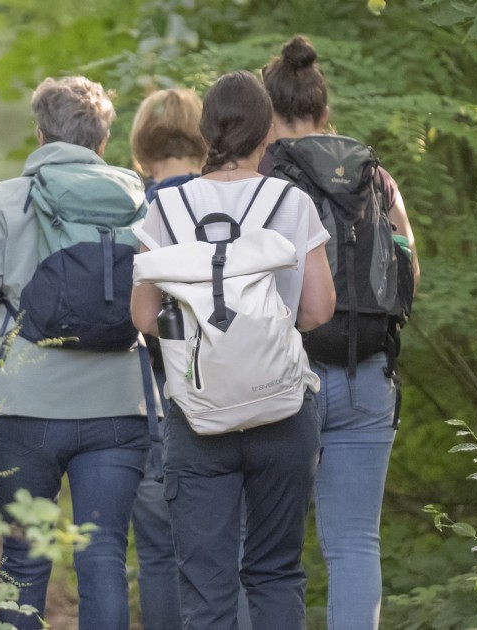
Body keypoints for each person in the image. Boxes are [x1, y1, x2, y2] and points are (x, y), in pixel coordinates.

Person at [0, 76, 151, 630]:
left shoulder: (9, 198)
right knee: (103, 555)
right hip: (118, 405)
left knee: (24, 559)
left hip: (25, 407)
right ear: (103, 140)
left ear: (40, 135)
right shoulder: (137, 201)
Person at [131, 70, 334, 630]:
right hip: (282, 411)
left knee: (206, 584)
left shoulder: (167, 210)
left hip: (197, 417)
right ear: (266, 132)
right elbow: (318, 310)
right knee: (274, 572)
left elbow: (145, 316)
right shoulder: (290, 202)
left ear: (205, 130)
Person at [259, 35, 421, 630]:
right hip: (366, 372)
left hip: (281, 380)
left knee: (269, 548)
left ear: (268, 114)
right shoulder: (376, 177)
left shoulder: (262, 176)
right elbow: (409, 270)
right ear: (326, 111)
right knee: (354, 544)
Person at [126, 86, 207, 630]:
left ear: (140, 145)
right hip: (229, 398)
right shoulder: (231, 200)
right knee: (229, 553)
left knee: (157, 554)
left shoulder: (131, 210)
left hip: (149, 400)